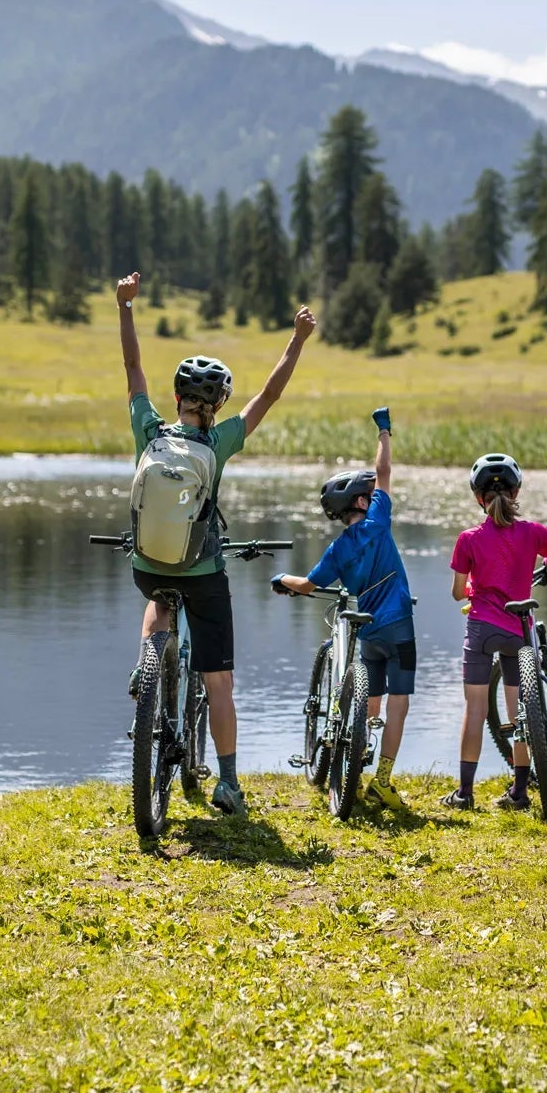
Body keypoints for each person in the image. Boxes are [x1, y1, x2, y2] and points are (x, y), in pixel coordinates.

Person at [115, 272, 316, 819]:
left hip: (146, 563)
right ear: (219, 402)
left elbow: (133, 369)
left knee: (157, 595)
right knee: (219, 680)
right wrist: (297, 339)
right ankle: (228, 784)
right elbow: (270, 394)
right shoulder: (221, 441)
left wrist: (125, 306)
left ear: (177, 398)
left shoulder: (149, 429)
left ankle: (145, 662)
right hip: (203, 572)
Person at [272, 409, 416, 811]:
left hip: (368, 631)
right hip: (401, 625)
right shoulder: (379, 522)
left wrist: (283, 580)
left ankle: (356, 748)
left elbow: (307, 585)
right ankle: (382, 779)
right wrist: (384, 429)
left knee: (369, 692)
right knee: (399, 701)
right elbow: (383, 469)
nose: (373, 497)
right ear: (360, 501)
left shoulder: (336, 552)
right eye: (368, 496)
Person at [445, 453, 547, 811]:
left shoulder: (469, 539)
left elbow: (458, 592)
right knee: (520, 712)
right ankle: (519, 793)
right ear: (516, 491)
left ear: (478, 497)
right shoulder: (533, 533)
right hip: (518, 630)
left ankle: (464, 794)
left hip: (481, 630)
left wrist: (475, 587)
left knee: (475, 710)